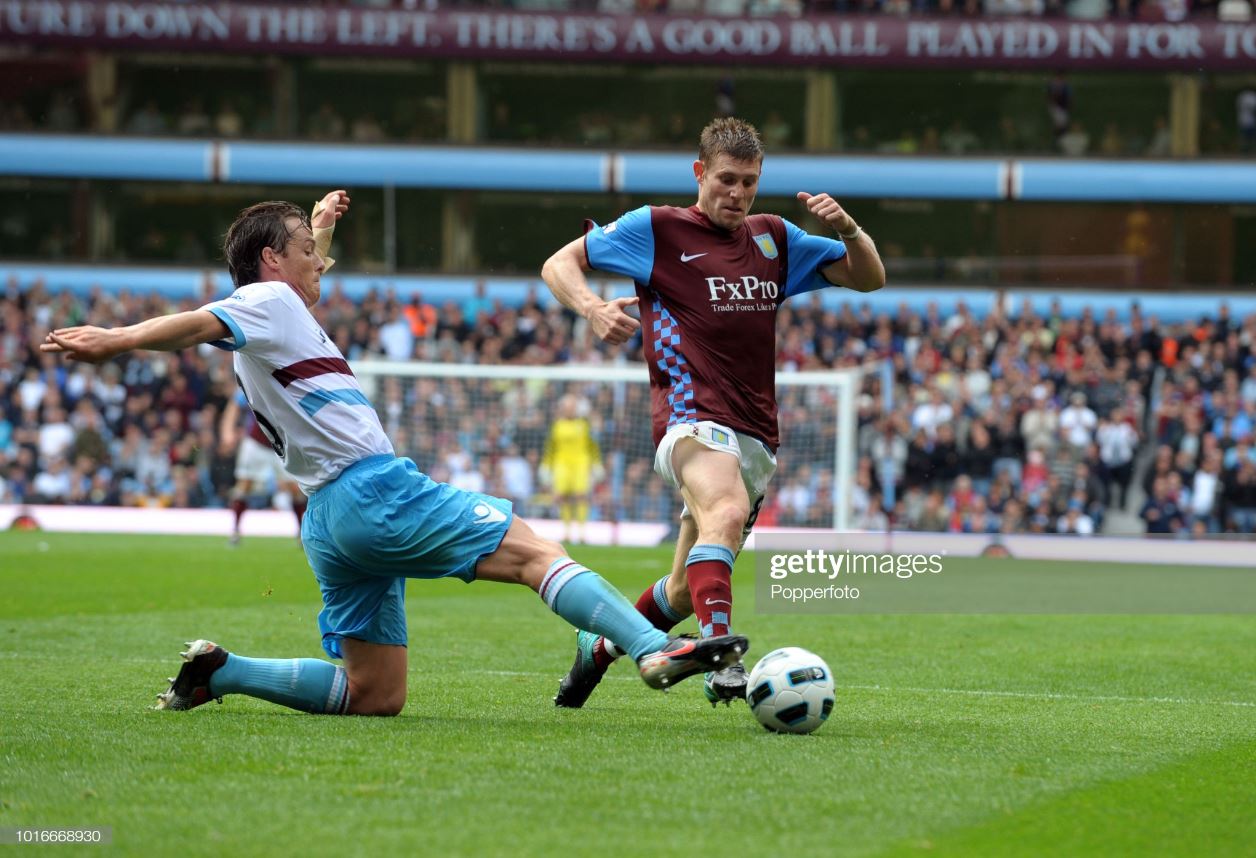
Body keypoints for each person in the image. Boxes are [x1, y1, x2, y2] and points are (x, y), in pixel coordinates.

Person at [40, 190, 746, 717]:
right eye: (309, 252)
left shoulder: (275, 316)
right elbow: (199, 321)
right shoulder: (264, 301)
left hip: (329, 521)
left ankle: (220, 673)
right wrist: (117, 338)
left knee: (375, 694)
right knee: (535, 553)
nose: (323, 262)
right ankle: (652, 652)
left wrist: (315, 227)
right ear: (269, 262)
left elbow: (278, 291)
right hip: (374, 492)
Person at [541, 117, 884, 708]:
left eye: (749, 182)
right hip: (690, 414)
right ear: (700, 173)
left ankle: (594, 649)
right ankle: (720, 653)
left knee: (679, 591)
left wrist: (849, 229)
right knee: (724, 511)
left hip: (756, 433)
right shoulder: (659, 228)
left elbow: (869, 278)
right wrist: (593, 307)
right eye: (727, 179)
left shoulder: (774, 238)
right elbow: (559, 264)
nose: (738, 193)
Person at [221, 392, 306, 546]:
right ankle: (235, 531)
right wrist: (227, 431)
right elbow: (235, 404)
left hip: (282, 444)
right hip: (256, 443)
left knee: (294, 488)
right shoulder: (255, 375)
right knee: (245, 485)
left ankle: (302, 533)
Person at [540, 394, 603, 544]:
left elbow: (592, 446)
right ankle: (567, 531)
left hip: (581, 463)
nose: (570, 410)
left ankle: (582, 532)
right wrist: (545, 466)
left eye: (572, 407)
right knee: (562, 496)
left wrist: (596, 463)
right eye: (567, 407)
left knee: (581, 495)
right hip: (561, 463)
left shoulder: (583, 425)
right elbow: (550, 447)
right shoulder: (557, 425)